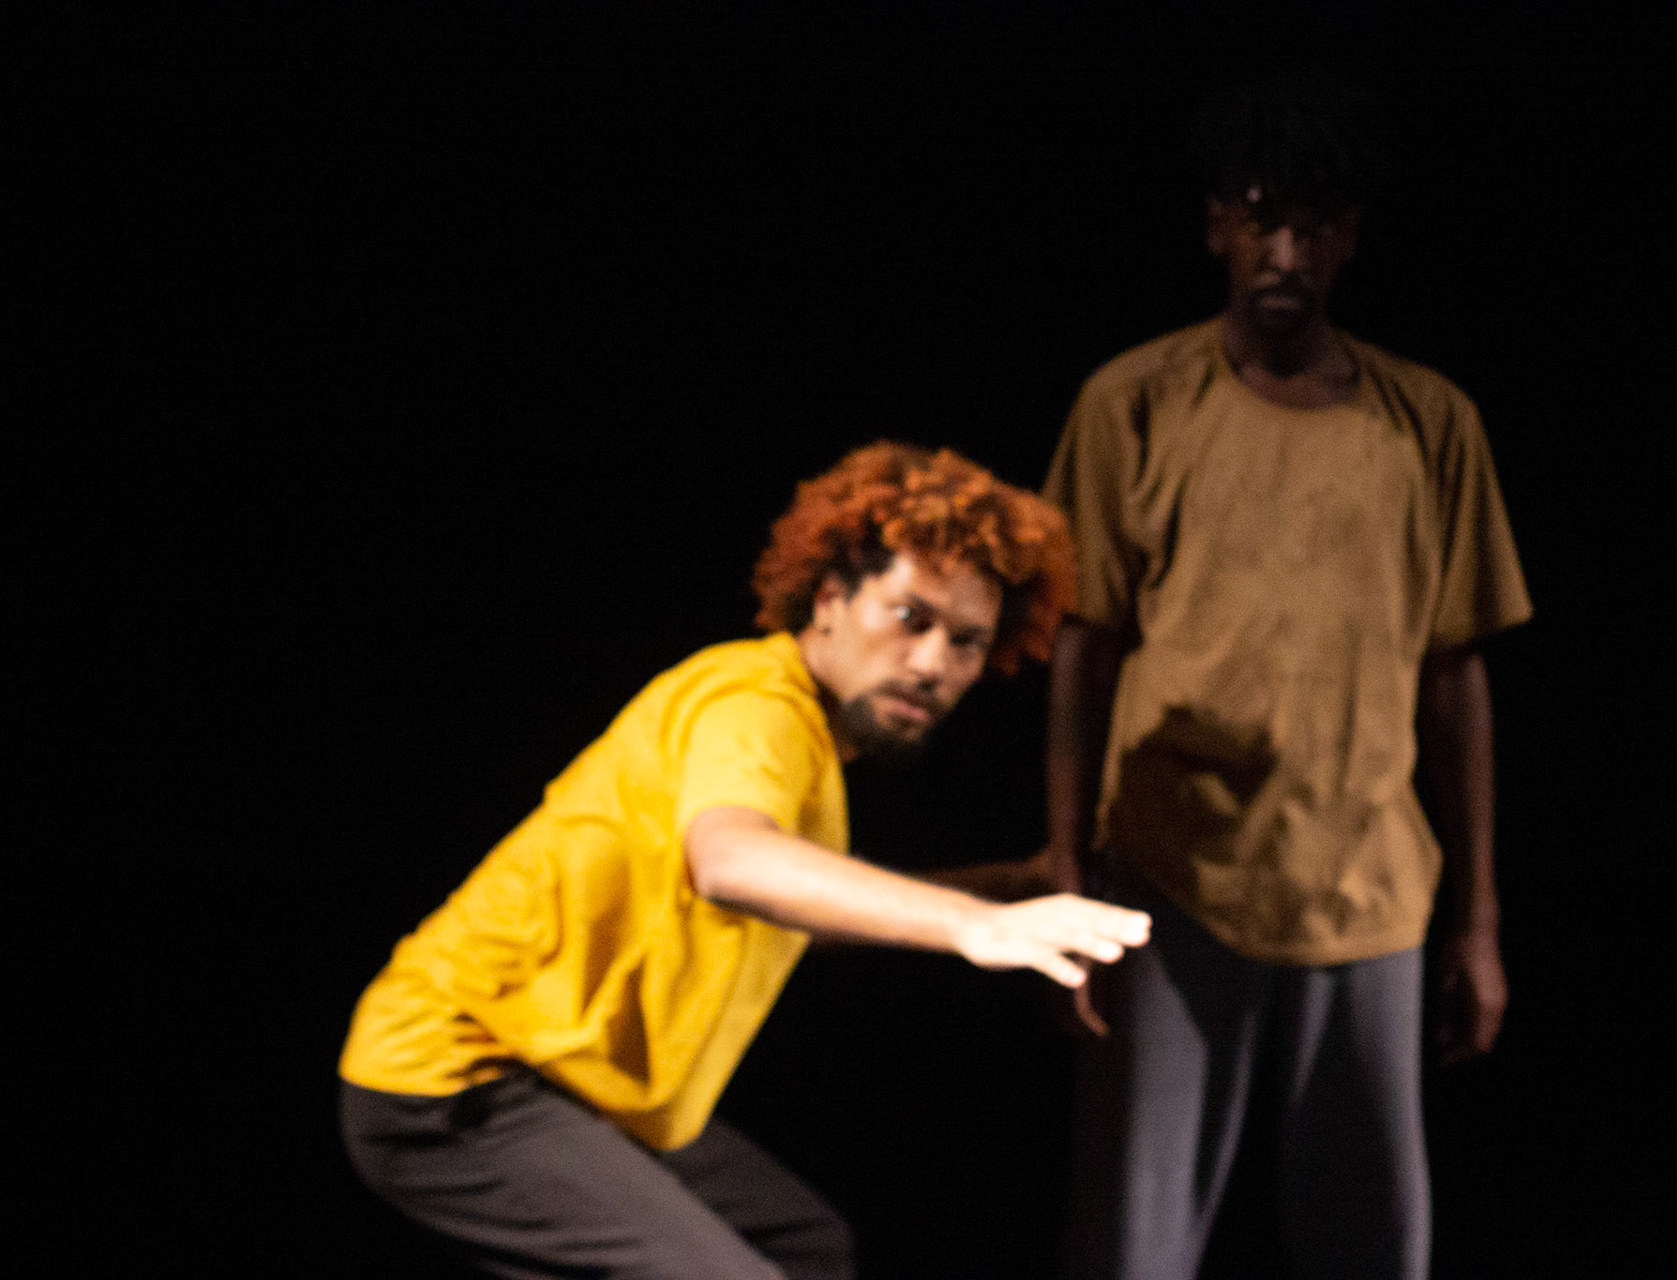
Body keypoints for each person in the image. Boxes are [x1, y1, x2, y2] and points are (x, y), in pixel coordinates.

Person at [339, 442, 1152, 1280]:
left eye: (967, 642)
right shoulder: (756, 707)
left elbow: (791, 911)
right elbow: (733, 864)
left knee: (801, 1248)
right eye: (911, 618)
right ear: (829, 600)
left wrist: (1008, 886)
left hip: (573, 1080)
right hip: (456, 1080)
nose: (932, 664)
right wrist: (974, 925)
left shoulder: (810, 749)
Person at [1041, 79, 1533, 1279]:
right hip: (1173, 870)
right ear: (1218, 226)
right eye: (1261, 221)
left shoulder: (1429, 423)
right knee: (1135, 1242)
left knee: (1374, 1243)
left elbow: (1456, 672)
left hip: (1368, 885)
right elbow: (1081, 646)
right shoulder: (1134, 402)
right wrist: (1061, 861)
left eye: (1312, 228)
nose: (1284, 254)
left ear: (1347, 241)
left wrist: (1479, 918)